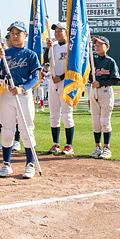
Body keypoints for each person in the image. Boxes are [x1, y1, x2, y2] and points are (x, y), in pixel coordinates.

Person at [0, 21, 41, 179]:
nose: (15, 36)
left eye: (18, 33)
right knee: (6, 130)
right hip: (6, 94)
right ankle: (6, 164)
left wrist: (23, 87)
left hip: (23, 94)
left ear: (25, 35)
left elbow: (36, 77)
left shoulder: (30, 54)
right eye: (12, 34)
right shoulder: (4, 54)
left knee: (26, 130)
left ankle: (30, 164)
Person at [45, 22, 75, 155]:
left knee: (67, 114)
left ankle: (69, 145)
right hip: (53, 82)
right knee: (54, 114)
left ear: (66, 32)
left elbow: (73, 67)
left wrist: (61, 77)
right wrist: (47, 49)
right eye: (55, 31)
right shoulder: (54, 47)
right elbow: (46, 62)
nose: (57, 33)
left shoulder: (71, 48)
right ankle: (55, 144)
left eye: (59, 31)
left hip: (66, 82)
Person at [89, 36, 120, 159]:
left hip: (105, 91)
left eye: (100, 45)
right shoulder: (92, 60)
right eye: (95, 45)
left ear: (107, 47)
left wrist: (101, 83)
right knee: (95, 122)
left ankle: (107, 148)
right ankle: (97, 147)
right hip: (94, 91)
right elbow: (88, 74)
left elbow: (115, 79)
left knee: (105, 121)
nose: (97, 47)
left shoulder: (110, 61)